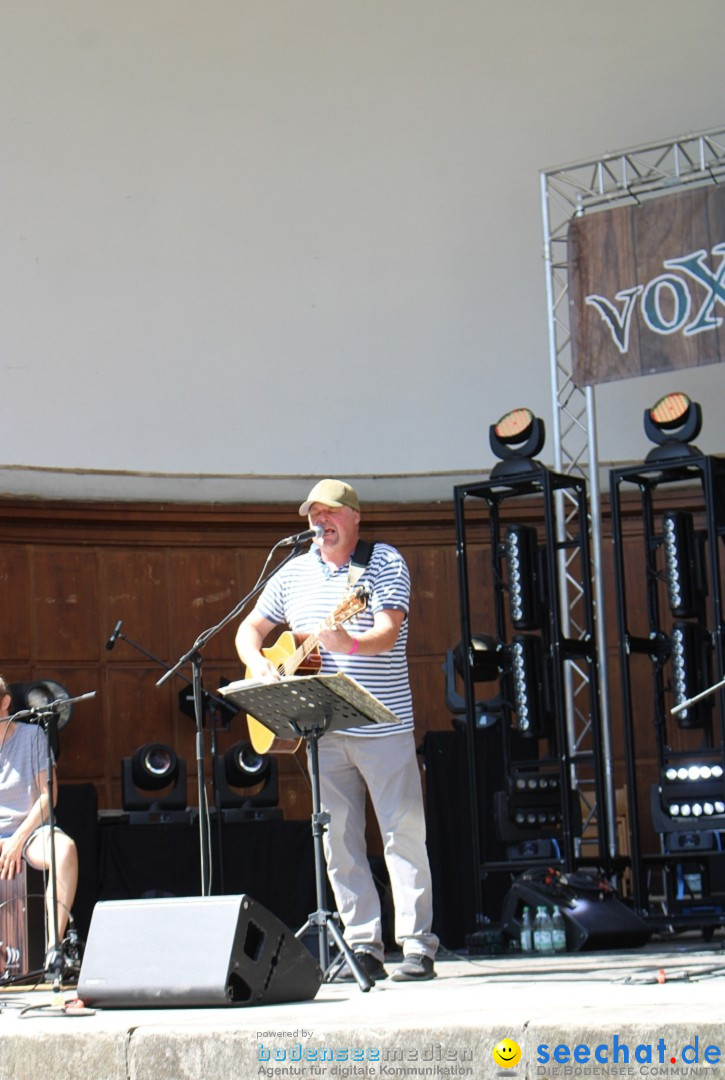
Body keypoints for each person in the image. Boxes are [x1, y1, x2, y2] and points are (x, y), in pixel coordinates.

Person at [235, 478, 439, 982]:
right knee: (339, 840)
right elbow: (249, 629)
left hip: (382, 722)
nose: (318, 523)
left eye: (329, 514)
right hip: (322, 729)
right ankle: (363, 944)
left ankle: (416, 944)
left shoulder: (384, 562)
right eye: (312, 515)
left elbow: (388, 633)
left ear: (353, 517)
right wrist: (258, 663)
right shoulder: (293, 572)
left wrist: (346, 641)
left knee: (402, 832)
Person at [0, 675, 79, 973]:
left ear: (6, 702)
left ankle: (52, 949)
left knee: (66, 850)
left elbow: (49, 797)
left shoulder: (32, 736)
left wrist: (18, 838)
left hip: (30, 832)